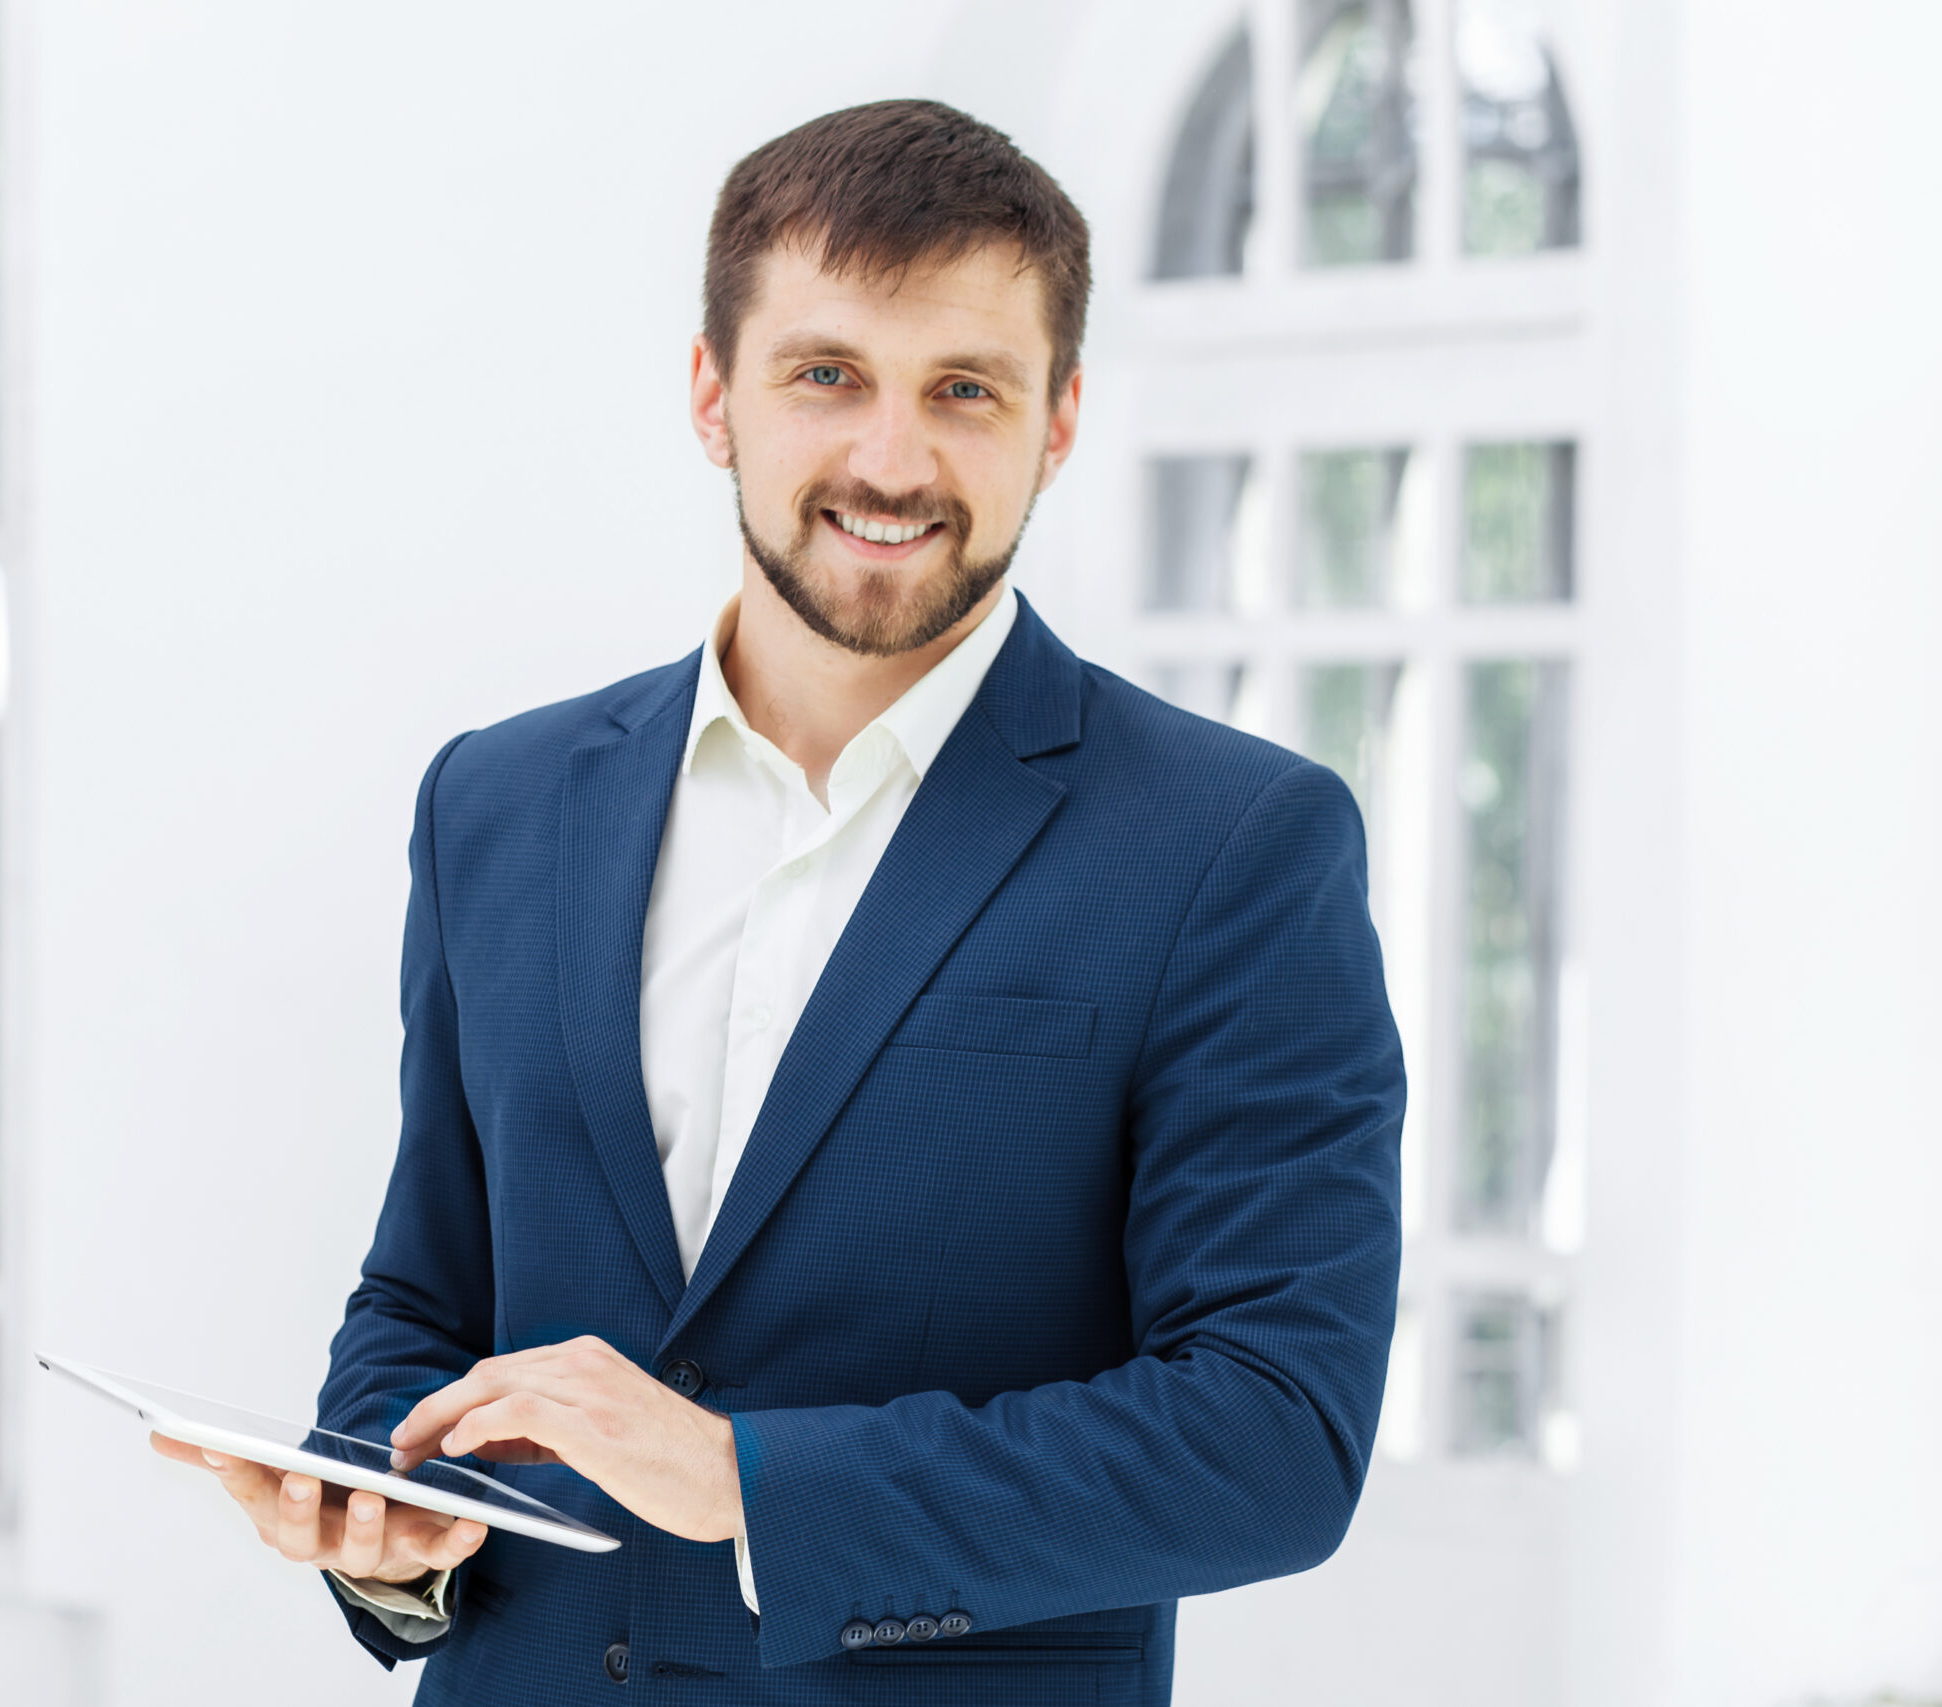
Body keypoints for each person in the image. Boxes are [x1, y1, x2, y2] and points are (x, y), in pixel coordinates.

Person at [151, 98, 1404, 1704]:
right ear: (711, 394)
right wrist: (386, 1514)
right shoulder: (499, 804)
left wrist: (749, 1480)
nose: (891, 459)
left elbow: (1272, 1435)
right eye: (826, 375)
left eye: (965, 390)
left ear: (1061, 419)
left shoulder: (1234, 846)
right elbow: (426, 1294)